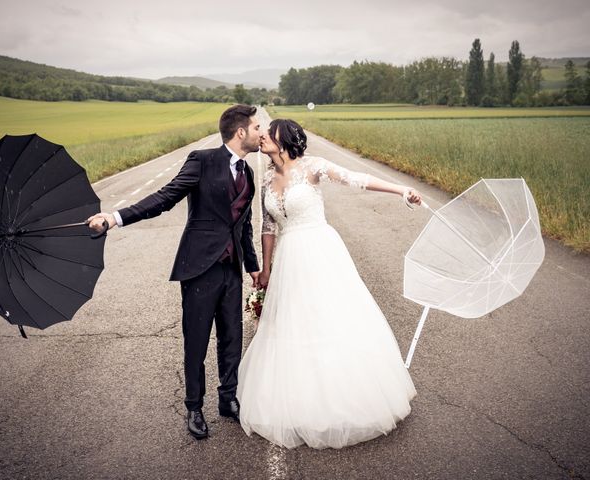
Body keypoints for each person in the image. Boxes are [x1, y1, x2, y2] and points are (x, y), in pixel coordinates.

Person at [236, 118, 420, 449]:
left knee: (330, 316)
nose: (261, 137)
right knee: (294, 323)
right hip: (289, 259)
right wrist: (266, 269)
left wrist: (401, 190)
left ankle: (345, 399)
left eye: (268, 133)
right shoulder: (267, 180)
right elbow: (267, 227)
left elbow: (357, 179)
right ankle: (299, 398)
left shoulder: (313, 167)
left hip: (320, 250)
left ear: (286, 139)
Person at [87, 105, 262, 440]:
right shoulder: (202, 160)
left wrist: (253, 267)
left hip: (231, 269)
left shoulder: (248, 173)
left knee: (232, 337)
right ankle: (194, 407)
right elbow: (165, 197)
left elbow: (245, 226)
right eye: (256, 128)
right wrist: (114, 217)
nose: (260, 133)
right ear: (240, 132)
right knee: (196, 341)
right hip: (199, 268)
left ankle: (228, 399)